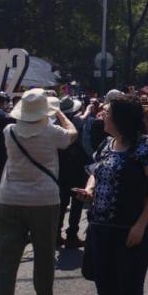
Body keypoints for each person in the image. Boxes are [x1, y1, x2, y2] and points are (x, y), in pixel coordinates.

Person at [77, 94, 148, 295]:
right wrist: (89, 190)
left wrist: (140, 225)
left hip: (132, 229)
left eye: (107, 112)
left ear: (120, 118)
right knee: (104, 284)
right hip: (101, 226)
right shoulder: (107, 144)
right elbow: (96, 171)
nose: (102, 115)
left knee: (128, 286)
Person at [0, 89, 77, 295]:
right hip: (43, 201)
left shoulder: (10, 132)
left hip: (8, 200)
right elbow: (72, 134)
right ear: (45, 112)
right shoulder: (52, 132)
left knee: (6, 264)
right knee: (44, 258)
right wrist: (60, 113)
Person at [55, 97, 89, 249]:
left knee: (61, 204)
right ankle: (72, 234)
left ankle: (56, 234)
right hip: (77, 168)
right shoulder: (79, 122)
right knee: (77, 202)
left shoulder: (55, 125)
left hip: (60, 167)